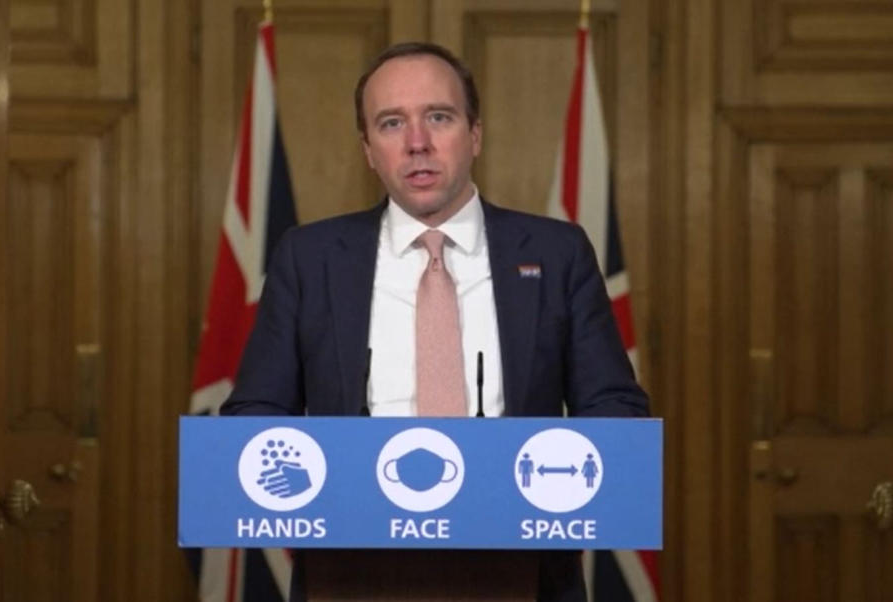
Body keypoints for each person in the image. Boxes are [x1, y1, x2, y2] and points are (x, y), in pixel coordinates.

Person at [221, 41, 649, 602]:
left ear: (475, 134)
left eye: (438, 117)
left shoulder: (556, 252)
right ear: (369, 150)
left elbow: (613, 408)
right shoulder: (310, 257)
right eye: (392, 123)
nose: (417, 143)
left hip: (520, 570)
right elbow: (255, 413)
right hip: (352, 571)